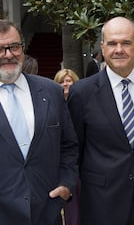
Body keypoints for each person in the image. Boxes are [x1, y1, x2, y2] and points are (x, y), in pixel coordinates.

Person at [67, 16, 134, 225]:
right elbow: (73, 147)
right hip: (100, 202)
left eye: (126, 43)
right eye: (112, 43)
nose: (119, 49)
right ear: (103, 47)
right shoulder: (82, 92)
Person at [0, 19, 78, 225]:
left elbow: (69, 145)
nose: (8, 54)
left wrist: (66, 184)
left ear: (23, 49)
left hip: (46, 211)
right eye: (0, 48)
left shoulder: (51, 92)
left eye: (14, 47)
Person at [53, 68, 80, 225]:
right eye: (61, 81)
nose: (65, 84)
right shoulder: (53, 104)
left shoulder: (81, 102)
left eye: (68, 81)